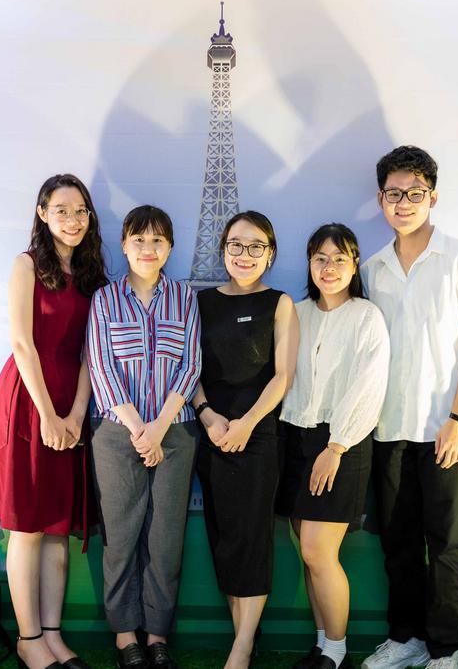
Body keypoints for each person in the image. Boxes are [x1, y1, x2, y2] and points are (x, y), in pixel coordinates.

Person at [360, 146, 458, 669]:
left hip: (447, 429)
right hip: (389, 428)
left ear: (432, 197)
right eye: (394, 193)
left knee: (448, 545)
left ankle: (446, 649)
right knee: (398, 545)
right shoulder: (371, 269)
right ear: (380, 199)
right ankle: (406, 638)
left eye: (415, 193)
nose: (404, 203)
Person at [0, 173, 108, 669]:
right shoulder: (26, 265)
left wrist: (75, 414)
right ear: (43, 213)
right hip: (28, 400)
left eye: (80, 211)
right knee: (27, 528)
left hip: (72, 402)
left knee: (56, 529)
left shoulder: (94, 277)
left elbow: (93, 353)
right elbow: (22, 344)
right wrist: (49, 414)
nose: (72, 220)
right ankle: (28, 640)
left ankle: (52, 635)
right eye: (61, 210)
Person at [86, 205, 202, 669]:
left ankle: (156, 636)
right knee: (120, 537)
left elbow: (191, 364)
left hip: (175, 432)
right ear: (124, 244)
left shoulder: (185, 299)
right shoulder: (104, 300)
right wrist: (140, 430)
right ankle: (124, 636)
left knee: (165, 538)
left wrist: (159, 428)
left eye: (158, 241)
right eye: (139, 239)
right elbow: (101, 368)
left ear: (170, 248)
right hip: (117, 434)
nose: (147, 249)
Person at [278, 223, 390, 669]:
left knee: (318, 551)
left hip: (342, 442)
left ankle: (338, 651)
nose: (329, 267)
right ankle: (322, 643)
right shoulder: (296, 313)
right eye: (320, 258)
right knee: (307, 553)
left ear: (354, 264)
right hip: (295, 435)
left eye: (339, 259)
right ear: (309, 263)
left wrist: (336, 445)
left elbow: (369, 386)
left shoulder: (367, 316)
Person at [190, 211, 299, 669]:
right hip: (212, 433)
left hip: (258, 437)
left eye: (257, 246)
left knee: (253, 538)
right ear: (223, 250)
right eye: (236, 244)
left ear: (270, 254)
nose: (245, 254)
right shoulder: (200, 302)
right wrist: (208, 415)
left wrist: (248, 423)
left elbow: (283, 376)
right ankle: (244, 638)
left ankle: (241, 648)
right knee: (225, 538)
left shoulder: (280, 303)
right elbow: (189, 369)